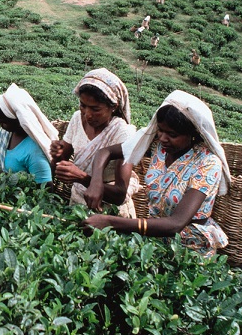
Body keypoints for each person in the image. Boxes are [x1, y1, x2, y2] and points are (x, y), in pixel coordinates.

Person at [83, 90, 232, 257]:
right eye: (160, 130)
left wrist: (110, 222)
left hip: (190, 249)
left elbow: (176, 223)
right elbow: (106, 152)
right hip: (153, 239)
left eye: (172, 135)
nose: (163, 138)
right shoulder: (158, 147)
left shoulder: (207, 163)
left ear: (193, 134)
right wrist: (95, 181)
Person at [50, 68, 139, 216]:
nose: (88, 115)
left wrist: (82, 178)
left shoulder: (123, 133)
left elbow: (120, 194)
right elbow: (60, 162)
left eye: (95, 109)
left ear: (114, 107)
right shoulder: (77, 118)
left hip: (110, 213)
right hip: (77, 206)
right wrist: (57, 154)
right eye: (83, 105)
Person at [0, 84, 56, 184]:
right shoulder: (8, 133)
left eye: (3, 121)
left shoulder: (35, 152)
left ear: (18, 120)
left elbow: (46, 190)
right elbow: (9, 156)